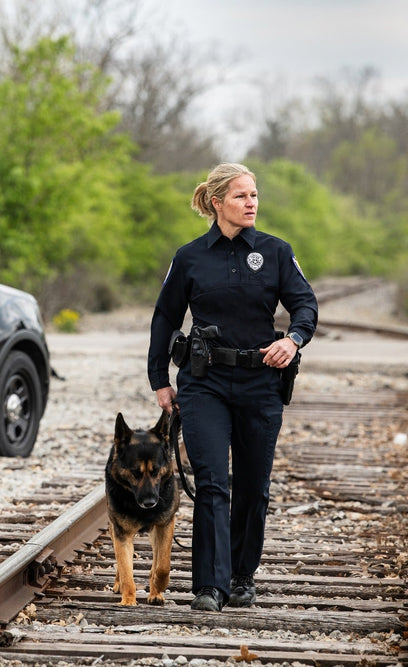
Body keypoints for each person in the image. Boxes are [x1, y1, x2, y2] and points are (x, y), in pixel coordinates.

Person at [147, 163, 318, 611]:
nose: (251, 203)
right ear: (217, 202)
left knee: (253, 485)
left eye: (254, 195)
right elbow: (166, 317)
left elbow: (305, 304)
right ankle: (209, 586)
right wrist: (159, 380)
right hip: (206, 383)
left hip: (261, 382)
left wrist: (292, 339)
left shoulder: (276, 252)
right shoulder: (190, 257)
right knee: (211, 482)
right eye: (241, 196)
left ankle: (242, 576)